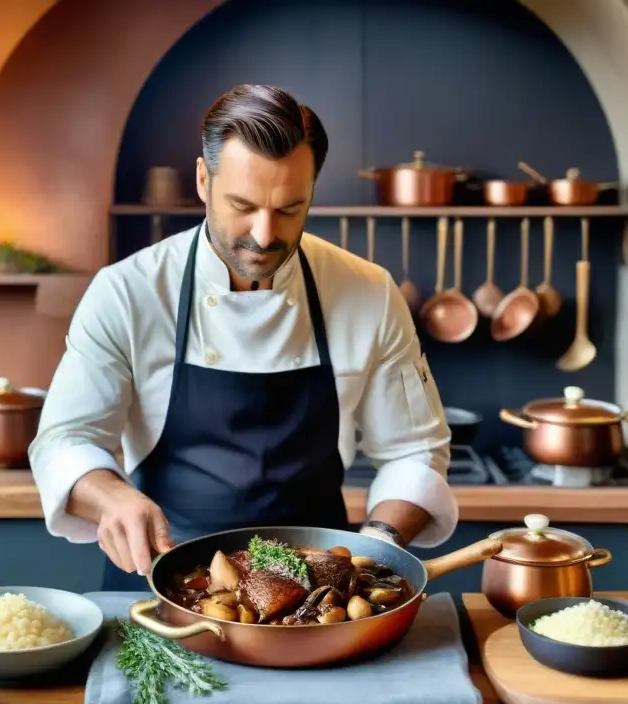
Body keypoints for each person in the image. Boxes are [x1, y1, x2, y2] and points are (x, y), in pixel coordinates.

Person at [29, 84, 459, 591]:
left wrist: (377, 544)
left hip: (318, 589)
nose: (262, 234)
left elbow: (414, 450)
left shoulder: (368, 292)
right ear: (203, 179)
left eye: (289, 209)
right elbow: (65, 440)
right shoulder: (128, 292)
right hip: (160, 583)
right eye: (242, 205)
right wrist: (112, 498)